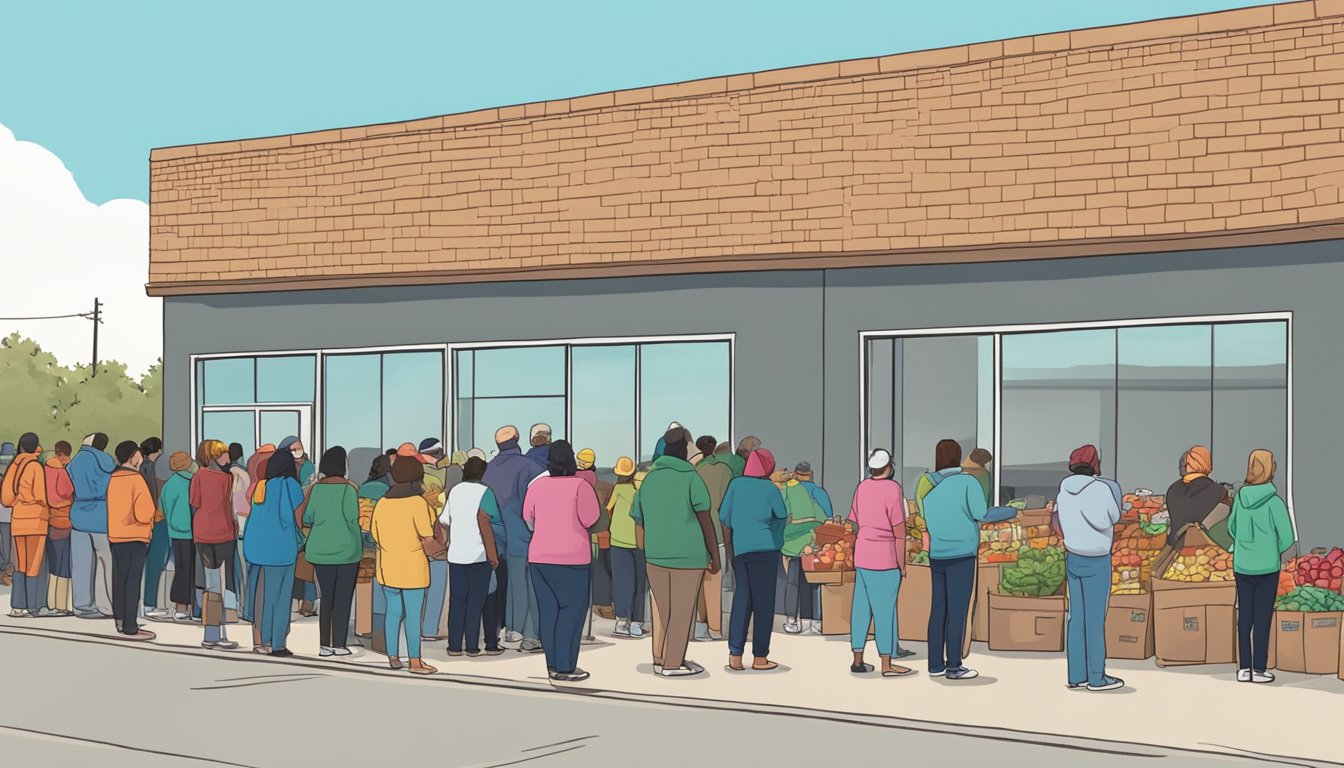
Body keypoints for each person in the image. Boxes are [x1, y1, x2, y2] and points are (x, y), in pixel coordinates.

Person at [921, 439, 1015, 680]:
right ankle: (954, 666)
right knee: (957, 610)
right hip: (961, 554)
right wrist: (1012, 511)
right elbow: (982, 514)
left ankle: (935, 664)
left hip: (937, 555)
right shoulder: (967, 482)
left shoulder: (930, 489)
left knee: (938, 609)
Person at [631, 427, 720, 677]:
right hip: (688, 556)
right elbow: (705, 519)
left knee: (664, 609)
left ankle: (662, 659)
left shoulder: (649, 480)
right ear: (684, 450)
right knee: (682, 612)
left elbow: (638, 518)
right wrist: (714, 554)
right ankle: (672, 664)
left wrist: (647, 545)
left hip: (656, 555)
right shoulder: (691, 478)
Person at [524, 441, 601, 682]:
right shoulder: (581, 486)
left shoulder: (536, 486)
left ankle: (552, 664)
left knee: (548, 612)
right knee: (572, 611)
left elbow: (528, 518)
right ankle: (566, 666)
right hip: (573, 558)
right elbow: (590, 519)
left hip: (539, 558)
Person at [1055, 444, 1124, 692]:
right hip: (1097, 558)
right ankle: (1097, 677)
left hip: (1073, 556)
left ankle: (1076, 675)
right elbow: (1111, 518)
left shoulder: (1064, 490)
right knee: (1095, 620)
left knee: (1076, 618)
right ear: (1095, 464)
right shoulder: (1101, 489)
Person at [1228, 449, 1295, 684]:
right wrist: (1270, 549)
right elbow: (1287, 537)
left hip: (1242, 565)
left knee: (1244, 616)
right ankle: (1259, 669)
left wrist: (1246, 545)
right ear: (1269, 468)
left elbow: (1231, 528)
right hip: (1267, 567)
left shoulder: (1239, 498)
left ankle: (1243, 668)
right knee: (1262, 617)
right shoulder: (1274, 502)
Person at [719, 447, 787, 671]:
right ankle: (760, 658)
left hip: (741, 550)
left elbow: (724, 516)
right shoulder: (770, 488)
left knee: (742, 599)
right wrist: (776, 540)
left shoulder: (735, 485)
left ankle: (735, 656)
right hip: (766, 550)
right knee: (764, 604)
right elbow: (781, 515)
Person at [849, 449, 915, 677]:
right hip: (885, 558)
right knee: (884, 610)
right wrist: (902, 563)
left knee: (861, 609)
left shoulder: (862, 487)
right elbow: (898, 531)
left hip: (863, 555)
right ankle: (887, 663)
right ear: (889, 467)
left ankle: (858, 659)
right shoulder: (893, 489)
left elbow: (854, 521)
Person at [370, 456, 438, 675]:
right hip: (413, 568)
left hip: (387, 566)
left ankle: (393, 656)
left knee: (393, 612)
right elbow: (427, 537)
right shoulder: (418, 503)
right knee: (413, 615)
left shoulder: (382, 503)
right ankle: (415, 661)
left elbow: (375, 534)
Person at [483, 425, 544, 652]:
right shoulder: (531, 467)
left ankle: (509, 629)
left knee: (505, 583)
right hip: (522, 533)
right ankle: (526, 632)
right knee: (527, 584)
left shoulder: (488, 469)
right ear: (518, 440)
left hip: (494, 534)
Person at [300, 447, 362, 657]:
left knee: (326, 598)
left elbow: (307, 518)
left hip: (320, 551)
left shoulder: (317, 489)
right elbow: (354, 519)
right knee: (343, 599)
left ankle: (324, 645)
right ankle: (339, 643)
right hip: (347, 551)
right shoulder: (349, 490)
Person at [243, 449, 303, 657]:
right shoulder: (291, 486)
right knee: (281, 598)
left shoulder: (262, 486)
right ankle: (278, 644)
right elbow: (297, 517)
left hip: (259, 549)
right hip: (283, 550)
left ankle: (263, 640)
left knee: (264, 597)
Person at [442, 456, 502, 656]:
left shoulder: (455, 491)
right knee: (476, 601)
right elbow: (493, 521)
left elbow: (444, 519)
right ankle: (472, 647)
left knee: (458, 600)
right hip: (479, 554)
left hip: (456, 554)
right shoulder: (487, 492)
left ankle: (454, 645)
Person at [192, 440, 241, 650]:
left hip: (203, 533)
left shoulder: (198, 476)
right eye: (223, 454)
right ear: (215, 456)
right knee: (223, 583)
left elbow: (195, 502)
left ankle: (211, 633)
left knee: (211, 584)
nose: (227, 458)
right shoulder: (227, 479)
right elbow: (230, 506)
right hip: (223, 533)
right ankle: (221, 631)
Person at [106, 441, 157, 641]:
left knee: (119, 579)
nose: (140, 457)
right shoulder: (136, 479)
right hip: (135, 536)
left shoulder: (113, 478)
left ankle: (120, 620)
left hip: (116, 535)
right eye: (138, 454)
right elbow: (144, 513)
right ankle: (130, 626)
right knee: (132, 581)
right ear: (132, 456)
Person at [69, 433, 116, 619]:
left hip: (79, 515)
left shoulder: (76, 460)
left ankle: (82, 606)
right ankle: (110, 605)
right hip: (102, 516)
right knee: (108, 563)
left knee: (81, 565)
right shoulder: (109, 461)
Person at [3, 433, 49, 618]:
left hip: (18, 519)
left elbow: (6, 497)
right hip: (36, 521)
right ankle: (34, 606)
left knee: (20, 564)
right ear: (36, 447)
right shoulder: (35, 466)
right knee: (34, 565)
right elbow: (40, 496)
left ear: (21, 447)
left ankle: (17, 605)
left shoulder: (14, 465)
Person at [782, 462, 828, 635]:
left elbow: (781, 514)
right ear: (811, 474)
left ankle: (792, 620)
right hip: (813, 542)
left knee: (793, 582)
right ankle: (815, 620)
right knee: (814, 581)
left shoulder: (787, 491)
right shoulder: (817, 492)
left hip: (793, 544)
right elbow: (824, 517)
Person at [695, 436, 733, 642]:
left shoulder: (695, 471)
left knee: (700, 581)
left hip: (697, 531)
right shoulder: (726, 471)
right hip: (718, 530)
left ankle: (701, 627)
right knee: (715, 581)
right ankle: (716, 629)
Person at [607, 457, 646, 638]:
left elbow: (608, 509)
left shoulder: (617, 489)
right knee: (639, 583)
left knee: (622, 582)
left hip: (618, 541)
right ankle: (636, 623)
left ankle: (622, 620)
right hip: (639, 542)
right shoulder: (642, 492)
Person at [1165, 446, 1231, 546]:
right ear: (1207, 464)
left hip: (1175, 544)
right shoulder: (1218, 490)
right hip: (1204, 546)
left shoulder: (1172, 489)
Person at [160, 451, 197, 621]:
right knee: (192, 569)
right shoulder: (194, 481)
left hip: (175, 532)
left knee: (181, 568)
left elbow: (164, 508)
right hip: (194, 532)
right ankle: (190, 607)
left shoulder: (170, 484)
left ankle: (180, 607)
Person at [137, 437, 170, 622]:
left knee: (140, 565)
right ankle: (149, 604)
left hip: (141, 522)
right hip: (157, 521)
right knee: (155, 563)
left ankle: (141, 604)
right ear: (158, 451)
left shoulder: (140, 467)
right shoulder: (156, 469)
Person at [43, 442, 76, 616]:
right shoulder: (61, 471)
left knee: (54, 565)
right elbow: (68, 491)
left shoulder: (44, 470)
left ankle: (51, 602)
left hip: (49, 522)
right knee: (64, 566)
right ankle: (63, 604)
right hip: (64, 523)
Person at [420, 472, 450, 641]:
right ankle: (430, 629)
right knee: (435, 593)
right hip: (436, 556)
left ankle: (419, 627)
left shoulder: (414, 505)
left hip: (416, 556)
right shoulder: (434, 511)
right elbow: (441, 537)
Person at [0, 442, 14, 586]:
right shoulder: (13, 472)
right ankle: (4, 572)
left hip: (5, 514)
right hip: (6, 514)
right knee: (5, 546)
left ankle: (3, 572)